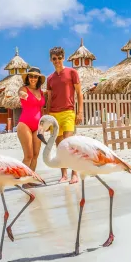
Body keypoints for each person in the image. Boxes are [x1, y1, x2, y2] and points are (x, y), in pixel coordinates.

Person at [45, 46, 83, 184]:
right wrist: (47, 117)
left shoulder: (72, 72)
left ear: (64, 58)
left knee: (69, 144)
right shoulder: (49, 79)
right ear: (51, 60)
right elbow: (49, 99)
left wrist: (80, 112)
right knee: (59, 146)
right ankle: (64, 175)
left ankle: (74, 174)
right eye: (54, 59)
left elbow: (79, 93)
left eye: (59, 58)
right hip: (54, 115)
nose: (57, 61)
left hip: (68, 112)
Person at [16, 67, 46, 183]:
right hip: (25, 124)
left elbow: (41, 108)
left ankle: (30, 181)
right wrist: (23, 95)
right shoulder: (24, 88)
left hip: (39, 126)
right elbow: (20, 93)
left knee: (35, 155)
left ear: (38, 78)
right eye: (31, 76)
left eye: (35, 76)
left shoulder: (41, 92)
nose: (33, 78)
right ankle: (22, 180)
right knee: (28, 155)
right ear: (28, 77)